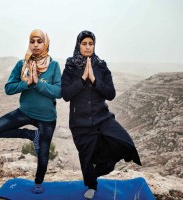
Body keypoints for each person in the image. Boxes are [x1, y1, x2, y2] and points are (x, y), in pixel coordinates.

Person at [61, 30, 141, 199]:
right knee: (86, 156)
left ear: (94, 45)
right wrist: (83, 79)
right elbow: (66, 94)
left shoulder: (101, 66)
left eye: (91, 44)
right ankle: (91, 185)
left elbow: (110, 93)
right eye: (84, 44)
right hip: (79, 121)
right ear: (78, 45)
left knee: (123, 140)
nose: (88, 47)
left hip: (101, 117)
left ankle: (102, 168)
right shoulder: (70, 67)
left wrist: (95, 80)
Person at [0, 29, 61, 194]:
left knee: (43, 153)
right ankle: (30, 135)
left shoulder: (54, 65)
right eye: (32, 41)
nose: (35, 45)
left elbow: (59, 92)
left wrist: (38, 84)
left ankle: (38, 182)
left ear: (45, 44)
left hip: (46, 118)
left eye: (39, 41)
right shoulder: (22, 64)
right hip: (25, 112)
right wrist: (27, 83)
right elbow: (9, 88)